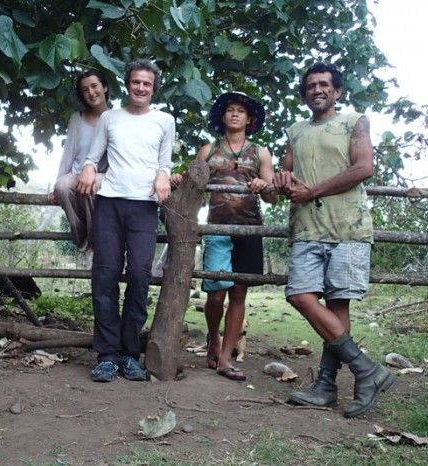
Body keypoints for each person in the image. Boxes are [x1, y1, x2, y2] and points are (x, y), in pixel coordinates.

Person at [272, 62, 395, 418]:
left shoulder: (354, 121)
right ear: (305, 93)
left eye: (324, 85)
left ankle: (327, 385)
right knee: (299, 294)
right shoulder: (295, 130)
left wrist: (313, 191)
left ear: (337, 91)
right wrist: (283, 181)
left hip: (347, 227)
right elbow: (290, 174)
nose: (317, 90)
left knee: (337, 307)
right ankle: (366, 369)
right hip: (307, 228)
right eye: (310, 86)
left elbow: (363, 168)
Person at [77, 59, 175, 383]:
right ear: (127, 84)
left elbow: (166, 162)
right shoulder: (110, 118)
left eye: (147, 83)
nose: (141, 88)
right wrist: (89, 167)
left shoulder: (164, 120)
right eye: (136, 82)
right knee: (104, 275)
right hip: (110, 202)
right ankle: (107, 356)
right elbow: (94, 156)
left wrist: (163, 175)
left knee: (139, 275)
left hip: (144, 206)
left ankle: (130, 354)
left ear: (153, 87)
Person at [170, 92, 278, 381]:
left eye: (240, 111)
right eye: (229, 110)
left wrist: (263, 184)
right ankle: (213, 339)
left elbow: (273, 197)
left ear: (249, 118)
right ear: (222, 117)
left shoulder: (260, 152)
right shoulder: (208, 150)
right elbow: (191, 183)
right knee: (216, 295)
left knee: (238, 293)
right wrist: (179, 178)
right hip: (217, 229)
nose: (234, 114)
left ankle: (226, 357)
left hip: (249, 229)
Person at [48, 70, 110, 251]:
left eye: (94, 86)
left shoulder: (116, 118)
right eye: (85, 90)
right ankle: (82, 238)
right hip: (77, 174)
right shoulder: (77, 118)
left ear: (104, 87)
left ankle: (95, 240)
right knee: (62, 187)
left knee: (93, 185)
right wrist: (55, 186)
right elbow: (68, 153)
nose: (91, 92)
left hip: (103, 177)